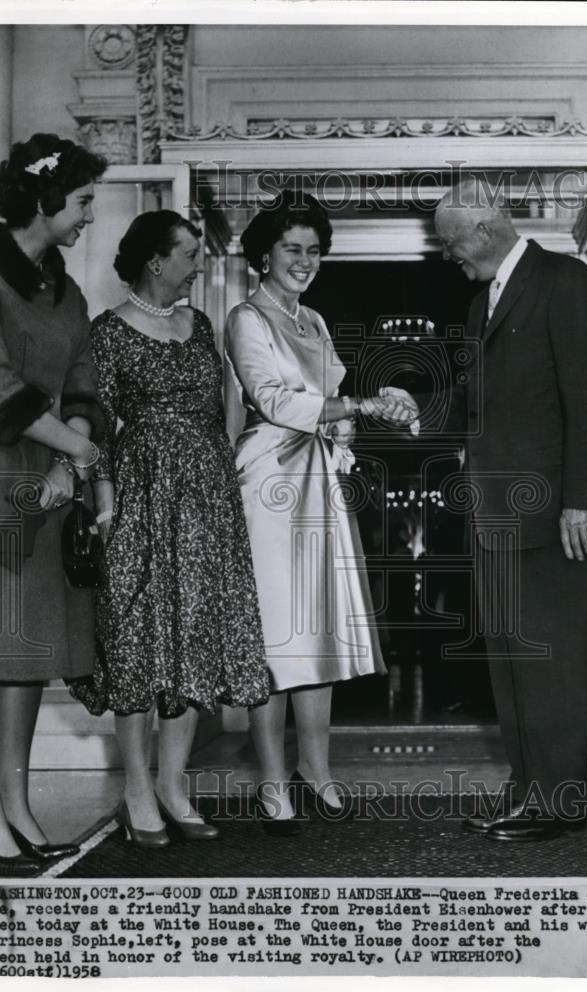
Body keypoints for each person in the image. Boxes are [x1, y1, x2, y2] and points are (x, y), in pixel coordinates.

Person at [0, 133, 108, 875]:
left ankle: (18, 807)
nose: (89, 217)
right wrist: (73, 449)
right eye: (82, 202)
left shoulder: (65, 289)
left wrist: (75, 447)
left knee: (29, 650)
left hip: (50, 478)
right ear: (41, 201)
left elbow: (85, 378)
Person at [68, 211, 270, 847]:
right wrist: (105, 507)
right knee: (135, 644)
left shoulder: (202, 322)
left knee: (190, 644)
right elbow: (95, 426)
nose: (198, 263)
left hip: (206, 498)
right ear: (156, 261)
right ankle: (135, 791)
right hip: (140, 495)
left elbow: (226, 399)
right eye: (189, 254)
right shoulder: (107, 332)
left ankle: (174, 787)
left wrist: (223, 458)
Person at [432, 177, 587, 842]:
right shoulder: (481, 301)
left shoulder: (563, 280)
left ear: (482, 231)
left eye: (451, 243)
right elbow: (469, 407)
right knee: (511, 663)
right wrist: (399, 411)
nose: (448, 255)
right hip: (495, 516)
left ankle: (560, 804)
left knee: (553, 661)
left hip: (551, 517)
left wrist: (581, 503)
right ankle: (526, 790)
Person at [225, 190, 418, 835]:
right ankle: (273, 782)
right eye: (292, 249)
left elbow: (333, 403)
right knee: (276, 632)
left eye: (313, 250)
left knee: (319, 629)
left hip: (319, 482)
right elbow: (277, 401)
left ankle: (317, 770)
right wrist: (358, 407)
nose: (304, 261)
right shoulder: (246, 318)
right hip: (270, 480)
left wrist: (361, 421)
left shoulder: (314, 322)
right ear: (263, 255)